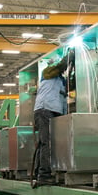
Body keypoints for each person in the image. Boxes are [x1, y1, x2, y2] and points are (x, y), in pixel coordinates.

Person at [33, 56, 68, 187]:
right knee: (46, 143)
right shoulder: (47, 73)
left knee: (49, 143)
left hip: (54, 111)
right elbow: (59, 67)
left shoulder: (61, 81)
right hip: (44, 109)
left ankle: (42, 172)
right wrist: (68, 57)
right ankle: (43, 175)